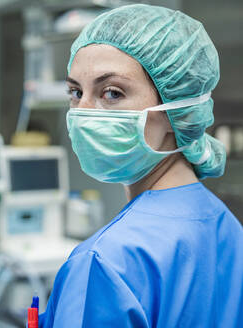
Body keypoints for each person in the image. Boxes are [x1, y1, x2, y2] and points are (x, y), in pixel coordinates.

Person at [38, 4, 242, 327]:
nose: (83, 112)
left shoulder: (105, 263)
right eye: (76, 91)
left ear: (179, 111)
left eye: (111, 92)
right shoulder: (228, 228)